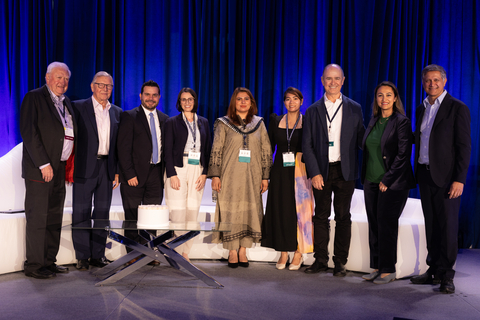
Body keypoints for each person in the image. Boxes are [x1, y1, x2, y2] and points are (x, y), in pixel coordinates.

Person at [410, 64, 471, 294]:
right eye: (428, 80)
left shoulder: (458, 108)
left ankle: (447, 275)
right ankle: (433, 270)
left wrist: (459, 179)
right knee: (432, 225)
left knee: (447, 227)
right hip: (425, 175)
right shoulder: (421, 108)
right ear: (423, 82)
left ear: (444, 82)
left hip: (447, 179)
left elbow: (464, 147)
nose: (432, 84)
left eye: (436, 80)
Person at [302, 64, 365, 277]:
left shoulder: (355, 108)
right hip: (321, 171)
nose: (333, 82)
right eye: (329, 78)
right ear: (322, 80)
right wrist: (314, 172)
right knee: (320, 216)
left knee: (343, 216)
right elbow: (307, 145)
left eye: (337, 78)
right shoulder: (312, 110)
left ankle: (340, 262)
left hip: (345, 171)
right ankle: (320, 259)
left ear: (343, 80)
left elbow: (362, 140)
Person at [20, 61, 77, 279]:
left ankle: (48, 261)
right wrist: (44, 164)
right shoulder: (34, 98)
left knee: (54, 217)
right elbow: (29, 132)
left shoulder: (66, 103)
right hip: (40, 170)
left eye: (65, 79)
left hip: (60, 168)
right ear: (47, 77)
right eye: (58, 77)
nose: (62, 82)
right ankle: (34, 265)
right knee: (38, 218)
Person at [208, 87, 272, 268]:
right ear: (233, 103)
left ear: (252, 103)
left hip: (253, 175)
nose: (243, 102)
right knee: (231, 210)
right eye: (239, 99)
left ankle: (243, 249)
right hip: (229, 175)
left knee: (249, 210)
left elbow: (266, 150)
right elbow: (216, 149)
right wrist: (215, 175)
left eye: (246, 99)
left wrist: (265, 176)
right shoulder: (223, 123)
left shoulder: (259, 123)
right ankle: (232, 250)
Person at [360, 81, 416, 284]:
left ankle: (388, 269)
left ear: (395, 98)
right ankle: (376, 266)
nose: (384, 99)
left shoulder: (401, 121)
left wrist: (387, 179)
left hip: (392, 183)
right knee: (374, 225)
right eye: (380, 95)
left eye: (388, 95)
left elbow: (403, 154)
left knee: (386, 226)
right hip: (370, 181)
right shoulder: (374, 120)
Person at [71, 71, 122, 271]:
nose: (105, 89)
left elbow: (118, 145)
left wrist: (117, 170)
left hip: (107, 167)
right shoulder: (77, 107)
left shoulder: (117, 112)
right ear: (92, 86)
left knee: (102, 213)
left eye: (108, 86)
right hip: (84, 167)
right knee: (81, 212)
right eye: (101, 85)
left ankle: (98, 256)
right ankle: (83, 257)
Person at [261, 87, 314, 271]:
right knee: (281, 210)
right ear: (284, 102)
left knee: (300, 211)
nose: (291, 102)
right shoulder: (276, 120)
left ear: (301, 101)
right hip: (280, 170)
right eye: (287, 99)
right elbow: (268, 149)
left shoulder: (307, 121)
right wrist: (265, 176)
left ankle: (298, 252)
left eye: (295, 99)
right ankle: (283, 252)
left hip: (301, 170)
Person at [117, 80, 169, 249]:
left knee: (152, 218)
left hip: (156, 174)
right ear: (141, 96)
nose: (151, 98)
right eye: (147, 94)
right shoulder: (129, 116)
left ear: (159, 97)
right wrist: (129, 174)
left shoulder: (165, 119)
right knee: (132, 217)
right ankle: (132, 253)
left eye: (154, 95)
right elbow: (123, 149)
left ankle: (149, 252)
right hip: (134, 176)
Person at [164, 88, 212, 261]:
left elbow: (207, 149)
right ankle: (175, 251)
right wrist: (171, 174)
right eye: (183, 99)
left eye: (190, 99)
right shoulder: (172, 122)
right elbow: (167, 151)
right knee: (177, 212)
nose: (187, 102)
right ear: (179, 102)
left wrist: (205, 172)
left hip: (197, 169)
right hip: (178, 168)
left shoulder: (203, 122)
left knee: (192, 212)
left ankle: (186, 253)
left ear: (195, 101)